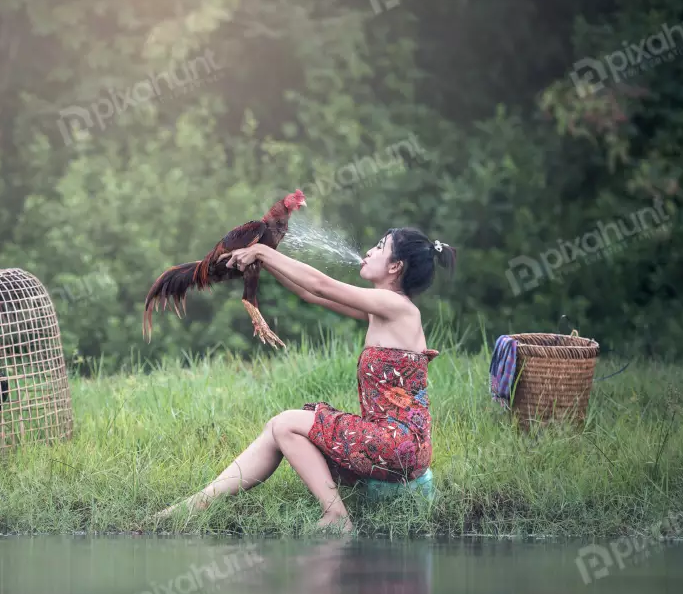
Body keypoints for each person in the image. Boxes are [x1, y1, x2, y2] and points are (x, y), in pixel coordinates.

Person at [155, 228, 457, 532]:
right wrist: (266, 263)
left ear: (395, 267)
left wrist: (262, 252)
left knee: (286, 423)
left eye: (380, 247)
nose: (369, 251)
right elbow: (309, 293)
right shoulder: (382, 310)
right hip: (389, 442)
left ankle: (337, 518)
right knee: (279, 429)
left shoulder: (397, 307)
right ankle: (197, 504)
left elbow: (321, 284)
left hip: (398, 445)